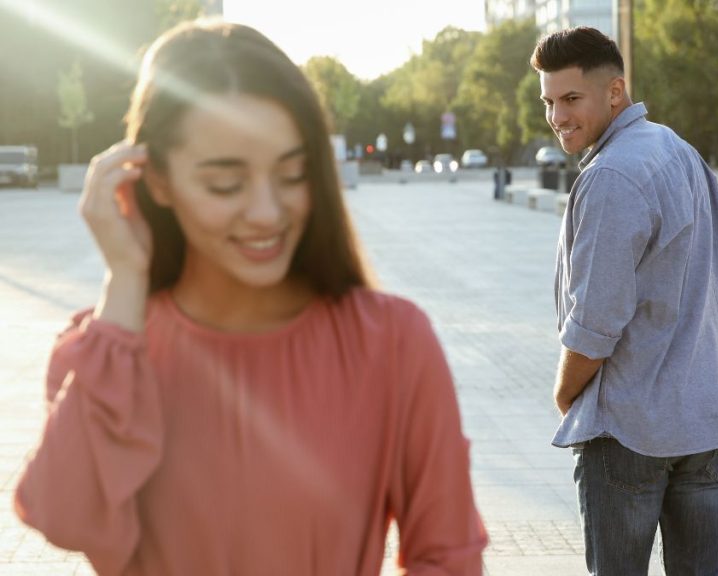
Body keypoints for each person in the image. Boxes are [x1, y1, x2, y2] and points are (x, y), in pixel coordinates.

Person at [14, 19, 486, 576]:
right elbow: (67, 518)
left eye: (292, 174)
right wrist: (123, 284)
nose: (266, 212)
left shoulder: (393, 341)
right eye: (225, 184)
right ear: (156, 180)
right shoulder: (105, 353)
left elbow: (449, 558)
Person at [531, 27, 718, 575]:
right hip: (698, 426)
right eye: (549, 102)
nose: (558, 116)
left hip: (629, 430)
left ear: (615, 91)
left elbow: (596, 321)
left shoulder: (611, 176)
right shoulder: (682, 152)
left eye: (571, 99)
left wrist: (565, 395)